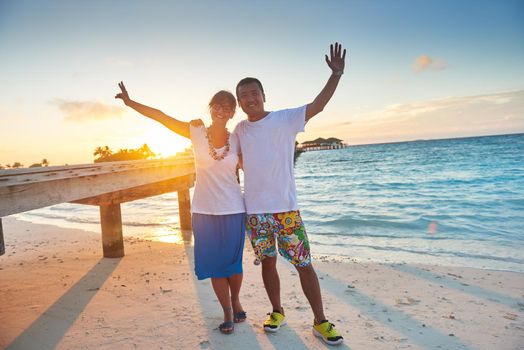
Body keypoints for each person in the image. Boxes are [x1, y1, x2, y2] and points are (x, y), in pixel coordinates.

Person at [232, 43, 346, 345]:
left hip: (286, 209)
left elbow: (317, 105)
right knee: (267, 263)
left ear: (263, 95)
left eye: (254, 92)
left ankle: (320, 321)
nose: (250, 98)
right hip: (255, 212)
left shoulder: (285, 119)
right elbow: (233, 159)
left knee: (303, 263)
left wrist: (336, 75)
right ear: (240, 103)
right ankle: (277, 311)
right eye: (243, 95)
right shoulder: (239, 130)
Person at [115, 82, 246, 335]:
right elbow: (161, 117)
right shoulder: (195, 130)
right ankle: (227, 311)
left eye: (228, 107)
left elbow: (256, 161)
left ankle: (236, 298)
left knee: (234, 264)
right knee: (216, 264)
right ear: (211, 109)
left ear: (232, 113)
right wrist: (131, 103)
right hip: (204, 210)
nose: (223, 110)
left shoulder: (238, 138)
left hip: (233, 208)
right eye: (218, 106)